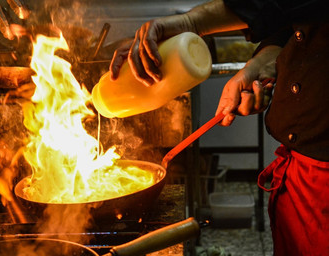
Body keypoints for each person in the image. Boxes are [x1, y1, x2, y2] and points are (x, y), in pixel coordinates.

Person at [109, 0, 329, 255]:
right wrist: (256, 68)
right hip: (299, 176)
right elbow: (296, 25)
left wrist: (190, 23)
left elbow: (276, 4)